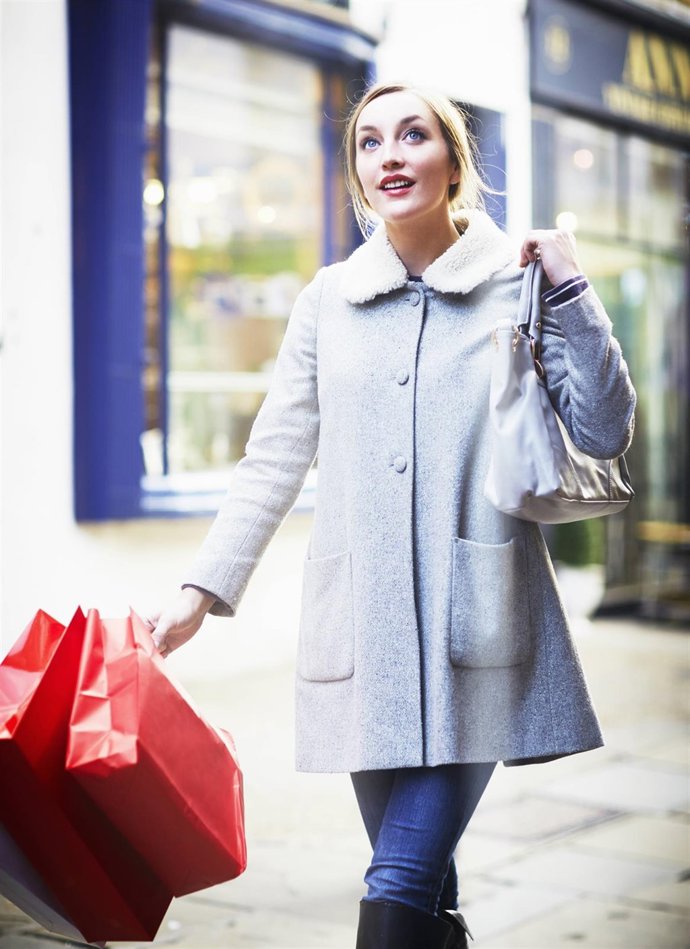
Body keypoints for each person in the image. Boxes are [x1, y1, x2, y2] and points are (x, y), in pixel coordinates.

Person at [148, 82, 636, 948]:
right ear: (359, 174)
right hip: (361, 641)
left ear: (454, 165)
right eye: (370, 143)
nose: (391, 155)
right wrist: (199, 591)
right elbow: (273, 458)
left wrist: (570, 287)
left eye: (414, 136)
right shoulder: (326, 301)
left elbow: (603, 427)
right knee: (426, 900)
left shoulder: (516, 285)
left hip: (479, 632)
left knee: (394, 886)